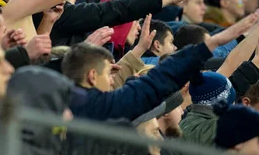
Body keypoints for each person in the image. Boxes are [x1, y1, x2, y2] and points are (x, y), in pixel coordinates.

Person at [60, 20, 251, 122]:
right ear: (92, 76)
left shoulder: (50, 99)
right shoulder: (103, 108)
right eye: (107, 74)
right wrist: (211, 44)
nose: (112, 80)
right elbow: (157, 80)